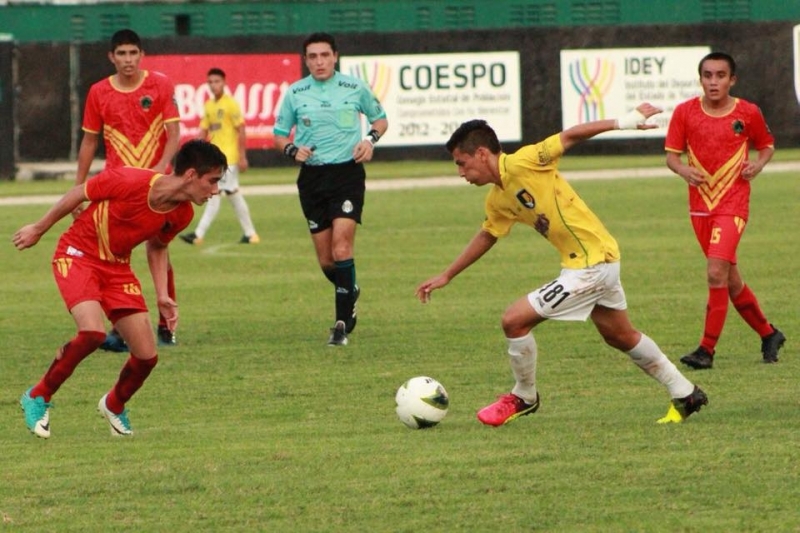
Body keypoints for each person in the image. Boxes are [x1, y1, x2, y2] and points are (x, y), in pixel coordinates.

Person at [415, 105, 708, 426]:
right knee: (620, 336)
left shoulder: (525, 161)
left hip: (593, 264)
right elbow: (488, 234)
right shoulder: (498, 198)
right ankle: (685, 392)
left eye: (462, 163)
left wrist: (622, 122)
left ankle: (525, 396)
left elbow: (569, 136)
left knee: (514, 321)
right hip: (590, 263)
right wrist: (447, 274)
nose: (460, 172)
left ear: (482, 154)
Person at [14, 140, 227, 439]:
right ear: (191, 175)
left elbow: (157, 247)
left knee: (147, 357)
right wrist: (39, 228)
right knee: (92, 333)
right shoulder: (129, 180)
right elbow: (79, 193)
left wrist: (162, 295)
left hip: (117, 269)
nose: (216, 190)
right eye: (213, 181)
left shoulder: (182, 214)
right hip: (78, 255)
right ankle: (38, 395)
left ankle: (114, 404)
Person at [665, 51, 785, 370]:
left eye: (720, 75)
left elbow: (767, 145)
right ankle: (769, 333)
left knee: (715, 272)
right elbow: (672, 157)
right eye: (708, 75)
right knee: (730, 280)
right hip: (699, 206)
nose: (713, 81)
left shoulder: (748, 112)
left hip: (732, 203)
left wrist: (758, 164)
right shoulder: (685, 112)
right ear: (700, 79)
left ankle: (706, 350)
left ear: (732, 80)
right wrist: (683, 171)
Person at [274, 32, 388, 346]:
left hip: (347, 175)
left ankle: (340, 326)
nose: (319, 62)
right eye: (313, 56)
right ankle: (350, 288)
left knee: (342, 249)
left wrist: (370, 141)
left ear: (335, 56)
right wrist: (291, 150)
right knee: (327, 261)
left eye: (325, 55)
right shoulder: (295, 93)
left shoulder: (355, 87)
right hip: (312, 180)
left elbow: (380, 120)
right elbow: (280, 134)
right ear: (305, 60)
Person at [76, 28, 182, 352]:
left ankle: (166, 323)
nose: (128, 59)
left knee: (158, 246)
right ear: (112, 57)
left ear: (142, 55)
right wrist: (80, 186)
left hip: (155, 187)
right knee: (112, 256)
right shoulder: (99, 92)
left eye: (133, 53)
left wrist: (160, 168)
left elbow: (174, 134)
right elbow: (90, 141)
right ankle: (121, 329)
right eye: (121, 53)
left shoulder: (160, 84)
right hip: (118, 188)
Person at [180, 67, 260, 245]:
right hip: (215, 159)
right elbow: (203, 130)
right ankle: (251, 234)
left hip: (229, 159)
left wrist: (242, 156)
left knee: (214, 194)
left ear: (224, 83)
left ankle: (198, 234)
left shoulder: (231, 104)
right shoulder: (209, 105)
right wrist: (196, 152)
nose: (213, 85)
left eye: (217, 81)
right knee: (233, 194)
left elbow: (241, 130)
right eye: (210, 82)